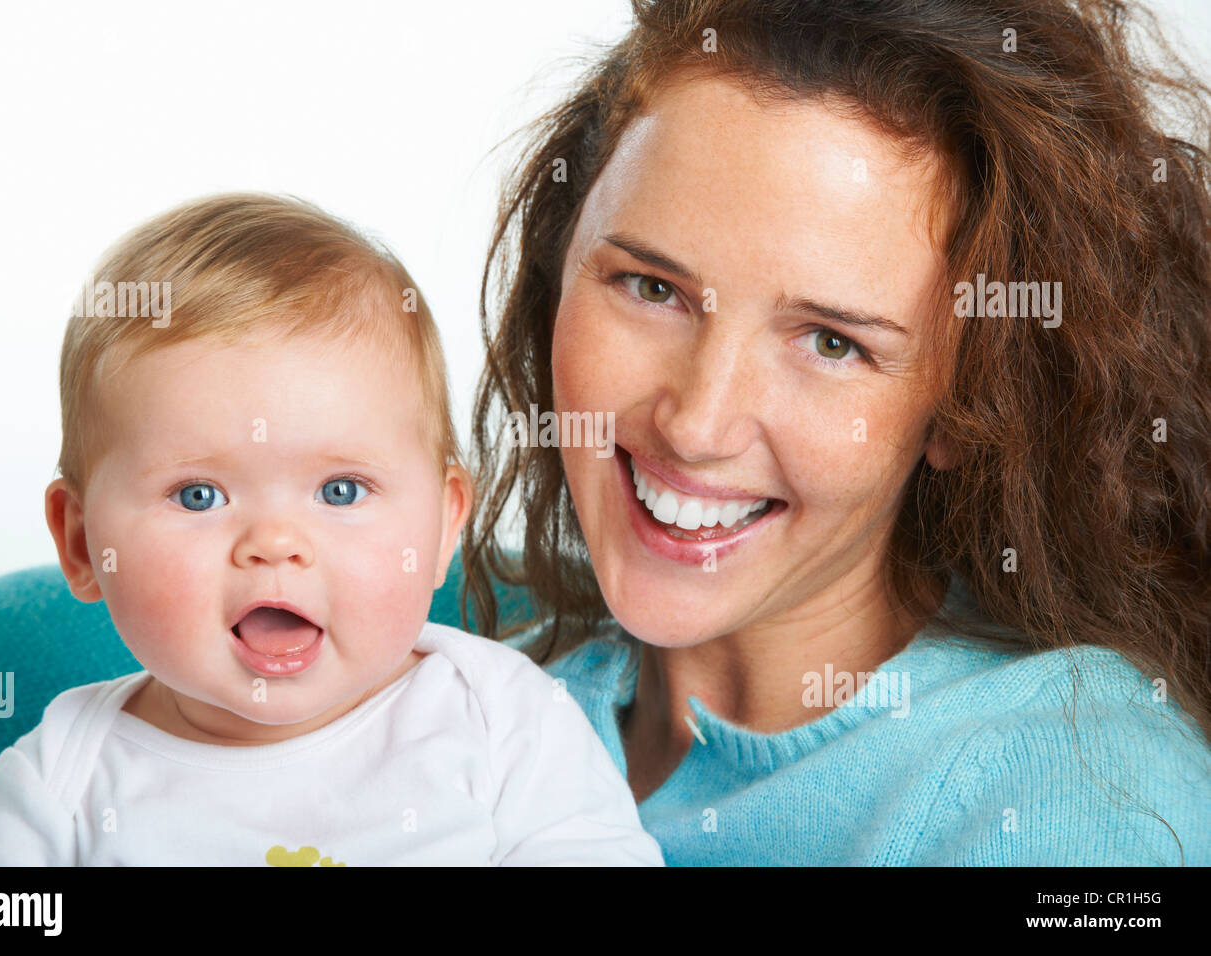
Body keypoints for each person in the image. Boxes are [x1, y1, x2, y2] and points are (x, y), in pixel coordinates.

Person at [464, 0, 1211, 865]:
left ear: (967, 405)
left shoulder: (1079, 795)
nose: (697, 424)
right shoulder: (446, 695)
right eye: (651, 288)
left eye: (832, 343)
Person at [0, 193, 663, 866]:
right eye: (198, 495)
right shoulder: (62, 785)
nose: (275, 544)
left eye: (340, 490)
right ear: (81, 545)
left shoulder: (502, 719)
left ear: (443, 527)